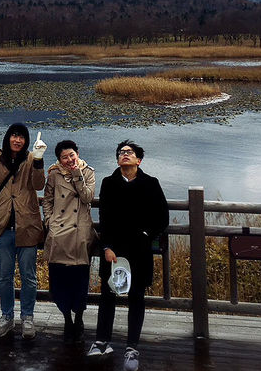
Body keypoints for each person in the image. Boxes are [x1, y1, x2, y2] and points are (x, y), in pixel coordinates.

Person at [87, 140, 169, 371]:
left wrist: (146, 234)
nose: (124, 155)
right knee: (108, 295)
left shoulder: (151, 184)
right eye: (121, 153)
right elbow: (104, 218)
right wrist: (106, 247)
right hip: (114, 250)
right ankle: (102, 341)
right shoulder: (109, 183)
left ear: (138, 160)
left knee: (136, 298)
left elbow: (162, 217)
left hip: (140, 250)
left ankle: (132, 347)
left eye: (129, 153)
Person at [0, 123, 47, 339]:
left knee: (29, 277)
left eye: (21, 137)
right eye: (14, 136)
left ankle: (27, 318)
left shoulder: (31, 159)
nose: (17, 140)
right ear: (8, 137)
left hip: (27, 225)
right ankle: (7, 316)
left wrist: (38, 160)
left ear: (27, 141)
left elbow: (39, 186)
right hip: (2, 227)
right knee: (4, 277)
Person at [42, 139, 96, 344]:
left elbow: (88, 197)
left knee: (80, 279)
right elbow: (47, 200)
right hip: (58, 232)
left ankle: (79, 317)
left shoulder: (88, 172)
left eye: (72, 155)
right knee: (58, 280)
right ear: (59, 159)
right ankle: (66, 317)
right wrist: (50, 222)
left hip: (79, 232)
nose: (69, 159)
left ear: (78, 153)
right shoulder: (54, 174)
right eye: (64, 157)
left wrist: (77, 174)